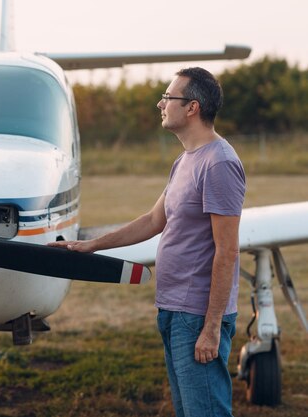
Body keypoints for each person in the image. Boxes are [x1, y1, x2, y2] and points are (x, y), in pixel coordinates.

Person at [49, 67, 245, 417]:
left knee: (206, 412)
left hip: (197, 316)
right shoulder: (186, 160)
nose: (161, 103)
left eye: (168, 97)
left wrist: (212, 327)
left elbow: (227, 251)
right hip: (173, 309)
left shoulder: (219, 164)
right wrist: (91, 245)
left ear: (192, 108)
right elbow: (154, 220)